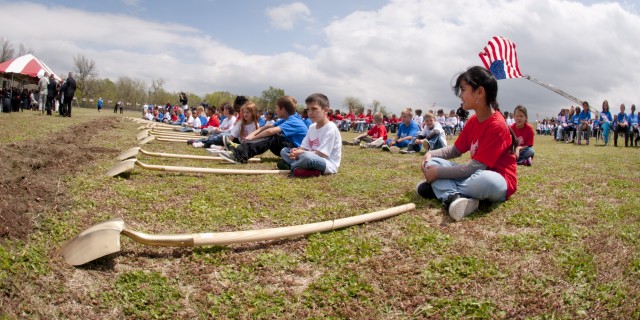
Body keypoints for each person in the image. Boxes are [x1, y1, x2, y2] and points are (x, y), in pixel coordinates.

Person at [417, 66, 517, 221]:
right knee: (431, 163)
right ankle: (454, 197)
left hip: (496, 180)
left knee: (486, 180)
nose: (461, 96)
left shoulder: (497, 125)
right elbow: (455, 150)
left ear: (480, 93)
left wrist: (438, 173)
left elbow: (474, 169)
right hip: (470, 176)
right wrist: (431, 154)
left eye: (463, 90)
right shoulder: (472, 121)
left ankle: (442, 190)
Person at [219, 95, 308, 164]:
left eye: (277, 107)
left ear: (283, 109)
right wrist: (250, 136)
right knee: (270, 134)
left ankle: (239, 156)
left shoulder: (294, 120)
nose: (275, 110)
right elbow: (265, 127)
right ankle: (239, 149)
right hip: (289, 148)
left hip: (296, 151)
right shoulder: (286, 118)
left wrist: (253, 138)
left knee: (273, 136)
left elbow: (270, 131)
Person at [279, 93, 341, 177]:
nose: (310, 113)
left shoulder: (331, 127)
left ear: (326, 110)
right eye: (308, 109)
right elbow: (303, 147)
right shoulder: (312, 127)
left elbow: (322, 154)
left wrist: (301, 153)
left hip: (326, 162)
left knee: (307, 157)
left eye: (314, 109)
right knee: (284, 151)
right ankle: (303, 169)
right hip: (308, 156)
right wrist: (296, 151)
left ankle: (293, 166)